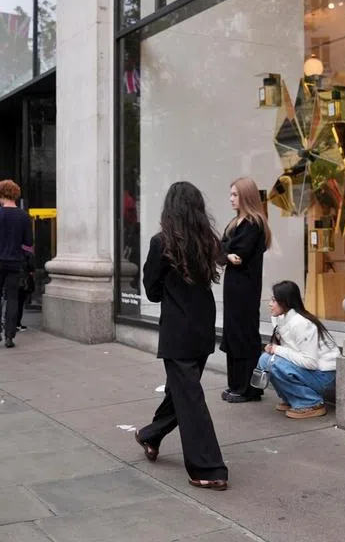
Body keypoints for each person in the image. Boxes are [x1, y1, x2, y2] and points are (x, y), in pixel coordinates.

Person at [134, 181, 230, 491]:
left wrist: (168, 288)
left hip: (177, 329)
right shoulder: (209, 241)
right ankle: (150, 435)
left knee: (188, 397)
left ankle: (208, 467)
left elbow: (151, 290)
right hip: (202, 326)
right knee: (184, 392)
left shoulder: (161, 242)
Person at [220, 177, 271, 403]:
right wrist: (225, 255)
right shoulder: (235, 223)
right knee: (233, 333)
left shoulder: (254, 223)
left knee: (244, 334)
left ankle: (247, 388)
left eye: (235, 195)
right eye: (230, 194)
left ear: (246, 196)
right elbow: (221, 250)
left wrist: (226, 254)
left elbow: (238, 256)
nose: (231, 199)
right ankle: (236, 384)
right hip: (233, 285)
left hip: (245, 288)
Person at [258, 280, 340, 419]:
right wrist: (274, 349)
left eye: (274, 300)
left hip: (325, 377)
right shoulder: (282, 319)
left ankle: (311, 403)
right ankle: (293, 399)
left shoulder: (300, 323)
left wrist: (277, 350)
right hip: (313, 373)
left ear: (285, 301)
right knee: (266, 359)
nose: (270, 304)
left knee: (274, 363)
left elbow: (310, 362)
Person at [0, 179, 31, 349]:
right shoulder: (24, 216)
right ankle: (10, 336)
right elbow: (28, 242)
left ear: (0, 194)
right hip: (15, 262)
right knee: (12, 298)